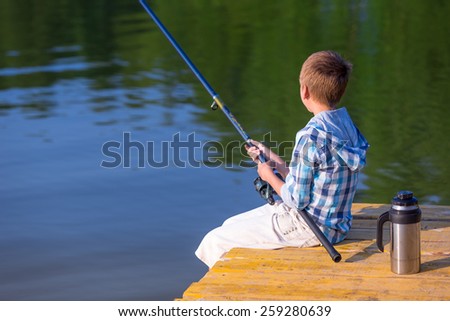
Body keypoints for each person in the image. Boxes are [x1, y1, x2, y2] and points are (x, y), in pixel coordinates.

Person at [195, 51, 369, 268]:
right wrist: (275, 161)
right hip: (337, 225)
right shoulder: (347, 127)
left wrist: (268, 176)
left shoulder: (310, 137)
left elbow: (296, 200)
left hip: (309, 227)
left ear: (304, 91)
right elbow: (312, 180)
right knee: (230, 224)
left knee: (215, 240)